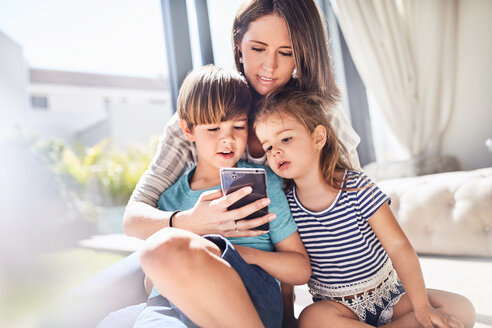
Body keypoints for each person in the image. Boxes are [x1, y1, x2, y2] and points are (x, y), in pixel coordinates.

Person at [123, 0, 360, 241]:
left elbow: (356, 205)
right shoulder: (203, 115)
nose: (270, 66)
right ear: (239, 45)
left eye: (286, 52)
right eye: (258, 49)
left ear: (303, 54)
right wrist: (189, 221)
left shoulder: (321, 116)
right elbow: (133, 218)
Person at [254, 88, 476, 328]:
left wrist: (422, 307)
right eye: (267, 147)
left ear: (318, 137)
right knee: (311, 319)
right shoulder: (284, 204)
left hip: (390, 296)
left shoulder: (357, 187)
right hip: (338, 308)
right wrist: (288, 318)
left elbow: (399, 246)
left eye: (285, 139)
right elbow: (288, 270)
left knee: (462, 309)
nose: (275, 151)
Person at [132, 65, 310, 328]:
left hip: (246, 297)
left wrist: (234, 253)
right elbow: (152, 284)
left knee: (161, 245)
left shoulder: (264, 184)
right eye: (213, 129)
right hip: (171, 307)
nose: (227, 139)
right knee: (157, 252)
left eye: (238, 126)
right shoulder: (169, 201)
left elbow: (300, 269)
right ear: (188, 130)